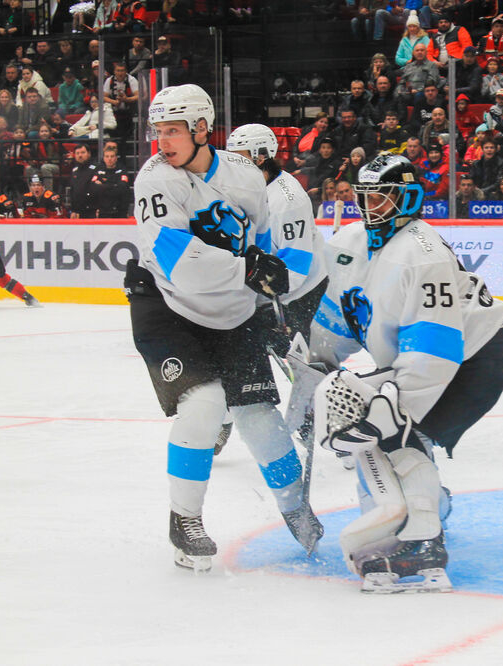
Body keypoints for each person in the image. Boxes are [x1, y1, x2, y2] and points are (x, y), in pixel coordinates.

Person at [125, 85, 321, 571]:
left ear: (200, 130)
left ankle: (296, 506)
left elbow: (259, 248)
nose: (162, 142)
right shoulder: (154, 180)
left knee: (256, 411)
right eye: (158, 131)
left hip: (230, 310)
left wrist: (268, 303)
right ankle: (184, 519)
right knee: (207, 402)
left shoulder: (244, 176)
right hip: (166, 304)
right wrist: (250, 272)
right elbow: (179, 263)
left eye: (172, 131)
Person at [307, 153, 503, 592]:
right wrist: (315, 369)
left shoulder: (423, 253)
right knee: (366, 414)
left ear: (410, 198)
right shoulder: (349, 243)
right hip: (435, 358)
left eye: (381, 198)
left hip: (475, 360)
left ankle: (423, 540)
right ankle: (424, 513)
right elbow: (338, 320)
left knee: (397, 431)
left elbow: (435, 352)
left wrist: (393, 407)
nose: (370, 206)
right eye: (365, 197)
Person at [226, 123, 329, 347]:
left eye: (238, 157)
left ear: (260, 157)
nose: (231, 164)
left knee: (302, 365)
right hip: (271, 287)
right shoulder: (247, 188)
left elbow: (295, 268)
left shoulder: (287, 200)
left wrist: (261, 300)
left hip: (301, 295)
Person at [89, 145, 132, 217]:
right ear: (104, 158)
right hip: (102, 212)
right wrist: (113, 185)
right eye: (107, 156)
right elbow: (93, 188)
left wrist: (102, 186)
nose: (109, 159)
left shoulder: (122, 171)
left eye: (112, 156)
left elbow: (122, 188)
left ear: (116, 158)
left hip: (119, 212)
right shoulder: (99, 171)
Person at [68, 144, 97, 218]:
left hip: (92, 210)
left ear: (89, 154)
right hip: (78, 211)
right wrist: (73, 210)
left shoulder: (96, 169)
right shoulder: (74, 170)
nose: (80, 155)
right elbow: (73, 191)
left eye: (83, 152)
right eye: (77, 153)